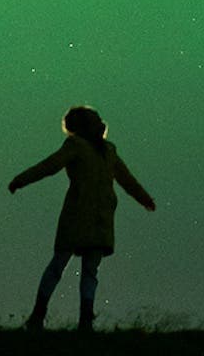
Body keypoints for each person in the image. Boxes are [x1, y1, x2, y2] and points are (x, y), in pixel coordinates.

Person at [8, 105, 156, 331]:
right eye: (95, 119)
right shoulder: (77, 146)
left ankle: (82, 321)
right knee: (62, 265)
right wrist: (22, 179)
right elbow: (50, 166)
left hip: (99, 218)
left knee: (86, 269)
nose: (101, 123)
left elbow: (127, 179)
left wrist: (144, 198)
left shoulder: (109, 150)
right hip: (80, 215)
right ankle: (41, 316)